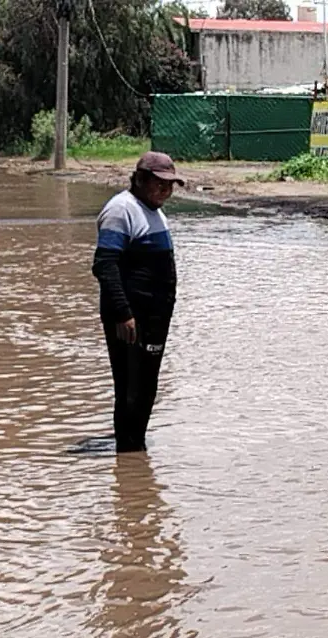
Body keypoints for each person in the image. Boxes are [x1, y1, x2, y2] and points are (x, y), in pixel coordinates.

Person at [91, 151, 184, 453]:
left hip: (154, 317)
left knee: (146, 388)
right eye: (159, 184)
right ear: (140, 180)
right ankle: (128, 455)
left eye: (170, 185)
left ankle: (135, 452)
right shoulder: (121, 210)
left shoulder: (153, 211)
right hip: (130, 318)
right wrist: (122, 313)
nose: (165, 190)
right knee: (131, 388)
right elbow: (105, 265)